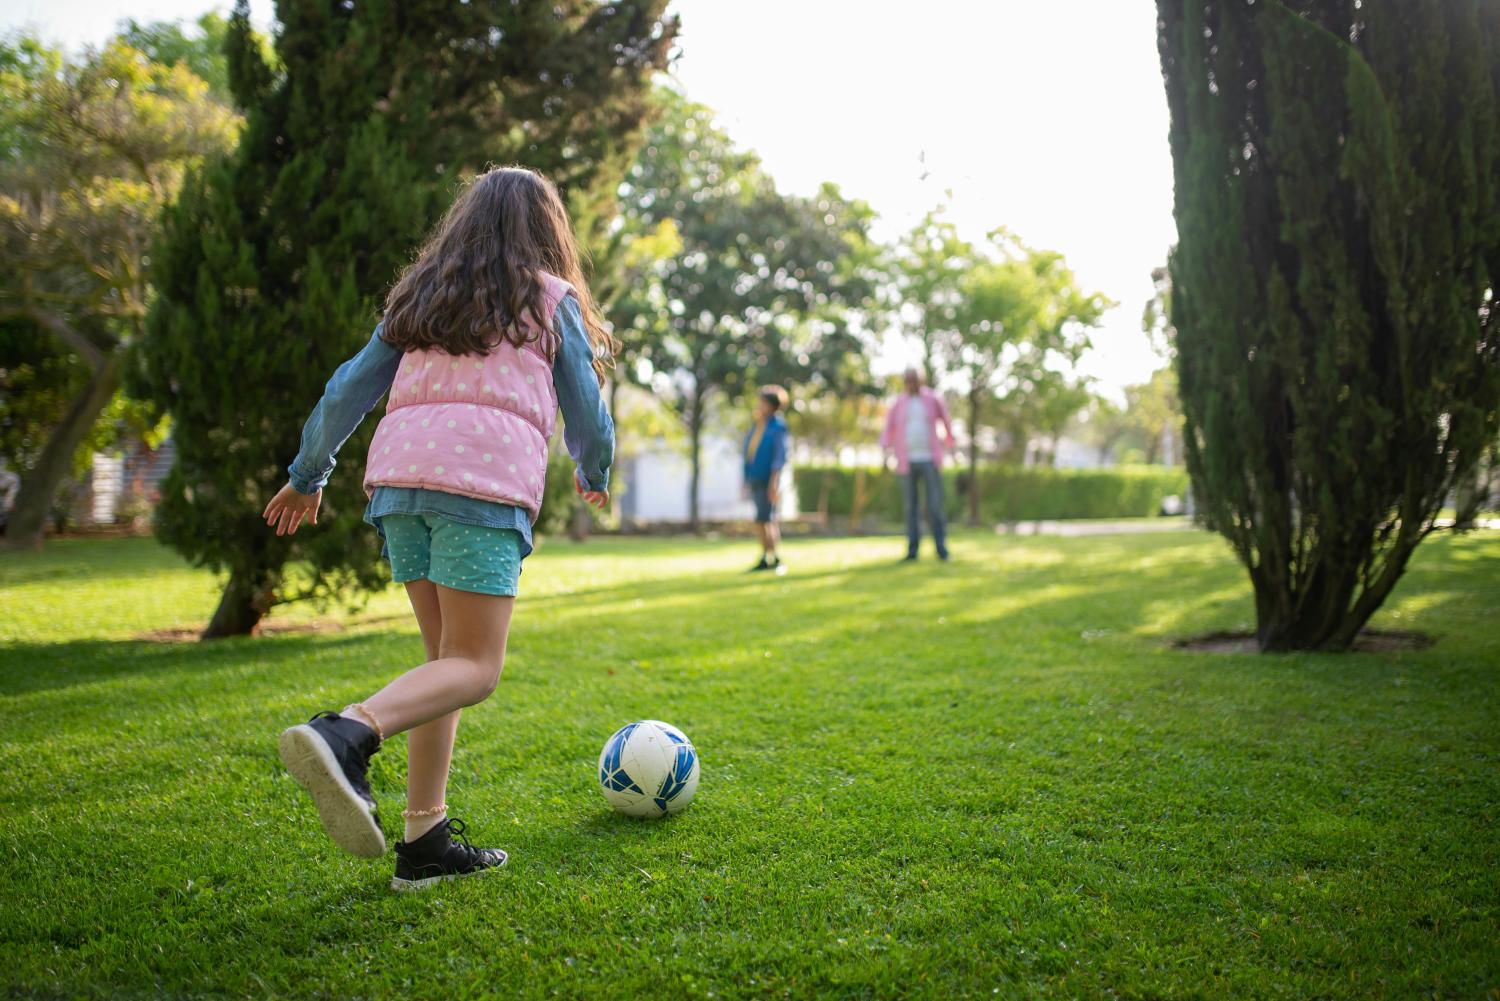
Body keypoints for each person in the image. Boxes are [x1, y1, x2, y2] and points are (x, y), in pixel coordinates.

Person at [261, 166, 615, 891]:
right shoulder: (550, 299)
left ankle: (425, 839)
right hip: (478, 489)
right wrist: (595, 467)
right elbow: (584, 395)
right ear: (548, 232)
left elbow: (347, 388)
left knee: (442, 665)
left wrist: (307, 474)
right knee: (476, 668)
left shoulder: (423, 297)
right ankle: (347, 731)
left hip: (400, 488)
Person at [879, 366, 956, 561]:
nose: (911, 384)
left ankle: (941, 549)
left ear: (920, 381)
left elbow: (946, 421)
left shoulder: (932, 399)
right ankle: (912, 551)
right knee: (910, 507)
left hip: (930, 458)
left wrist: (951, 444)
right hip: (907, 461)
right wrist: (885, 448)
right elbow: (889, 427)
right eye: (908, 380)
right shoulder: (899, 402)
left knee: (935, 505)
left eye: (914, 380)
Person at [742, 384, 789, 573]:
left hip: (768, 479)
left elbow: (779, 456)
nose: (759, 405)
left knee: (767, 518)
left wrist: (774, 481)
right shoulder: (758, 425)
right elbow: (749, 453)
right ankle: (766, 556)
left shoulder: (777, 427)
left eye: (762, 402)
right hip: (755, 477)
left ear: (771, 405)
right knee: (761, 519)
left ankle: (773, 557)